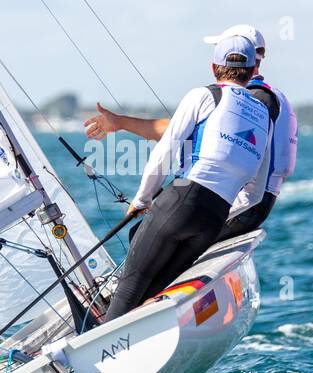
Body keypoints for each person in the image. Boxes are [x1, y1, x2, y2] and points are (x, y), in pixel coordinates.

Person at [102, 34, 273, 321]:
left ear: (214, 68)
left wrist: (141, 199)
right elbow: (256, 192)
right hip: (214, 219)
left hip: (181, 200)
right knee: (154, 295)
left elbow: (165, 151)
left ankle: (93, 352)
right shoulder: (264, 115)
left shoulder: (203, 95)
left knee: (129, 290)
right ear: (252, 71)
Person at [85, 23, 298, 238]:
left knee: (143, 233)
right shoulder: (263, 97)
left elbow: (181, 134)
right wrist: (120, 122)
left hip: (241, 206)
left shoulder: (253, 99)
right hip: (249, 204)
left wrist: (145, 197)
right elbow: (181, 131)